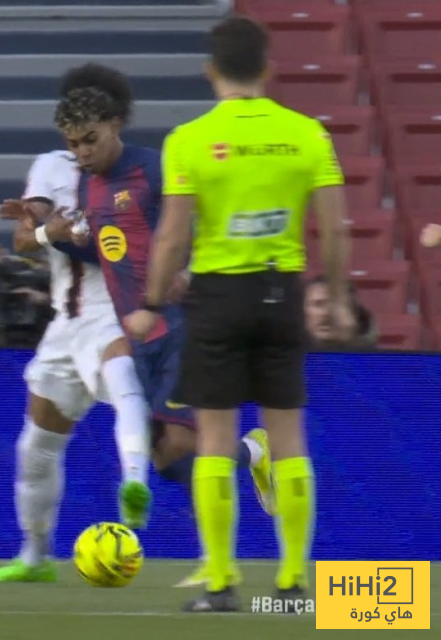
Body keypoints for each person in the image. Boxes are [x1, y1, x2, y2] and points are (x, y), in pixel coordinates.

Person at [126, 16, 354, 612]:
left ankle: (222, 584)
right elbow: (335, 228)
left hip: (217, 299)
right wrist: (336, 297)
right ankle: (293, 584)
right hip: (281, 294)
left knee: (215, 438)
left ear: (211, 71)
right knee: (289, 440)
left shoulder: (189, 139)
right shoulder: (307, 134)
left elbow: (173, 236)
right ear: (268, 68)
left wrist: (151, 304)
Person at [52, 62, 274, 589]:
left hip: (182, 325)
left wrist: (191, 272)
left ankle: (217, 562)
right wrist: (51, 238)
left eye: (90, 139)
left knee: (179, 441)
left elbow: (209, 219)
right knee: (168, 457)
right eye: (73, 144)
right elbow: (106, 250)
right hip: (139, 334)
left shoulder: (153, 169)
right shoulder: (89, 188)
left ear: (114, 126)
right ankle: (252, 453)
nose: (82, 152)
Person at [0, 149, 152, 583]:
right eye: (74, 131)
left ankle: (135, 482)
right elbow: (24, 238)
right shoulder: (51, 165)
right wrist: (40, 228)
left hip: (114, 313)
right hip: (65, 326)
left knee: (157, 429)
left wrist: (73, 232)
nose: (81, 142)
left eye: (90, 129)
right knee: (36, 447)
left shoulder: (135, 172)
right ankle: (35, 558)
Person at [305, 275, 377, 350]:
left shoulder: (374, 357)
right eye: (319, 304)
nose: (327, 313)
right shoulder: (296, 357)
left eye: (337, 304)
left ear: (354, 313)